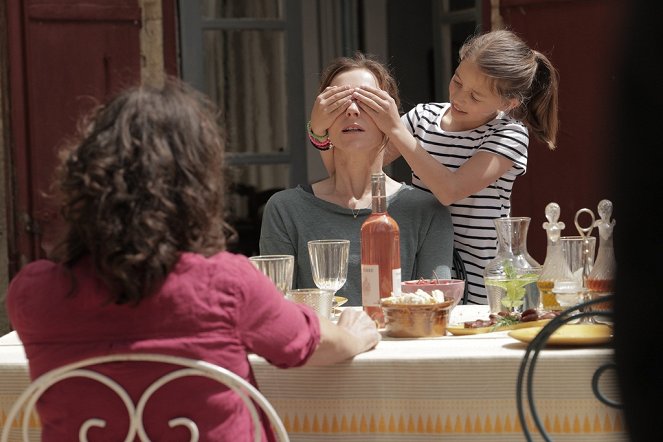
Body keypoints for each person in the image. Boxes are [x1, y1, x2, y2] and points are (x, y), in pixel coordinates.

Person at [5, 79, 381, 442]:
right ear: (194, 186)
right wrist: (352, 334)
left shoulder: (33, 292)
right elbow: (312, 343)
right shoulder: (225, 283)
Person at [310, 29, 559, 305]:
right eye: (457, 81)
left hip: (485, 282)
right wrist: (319, 130)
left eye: (476, 96)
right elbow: (349, 170)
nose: (460, 97)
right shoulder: (423, 118)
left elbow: (449, 190)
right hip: (428, 272)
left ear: (507, 102)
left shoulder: (509, 134)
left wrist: (395, 129)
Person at [260, 52, 454, 306]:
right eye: (338, 102)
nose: (352, 110)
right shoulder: (285, 209)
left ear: (391, 117)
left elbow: (435, 309)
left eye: (368, 102)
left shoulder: (426, 211)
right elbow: (276, 309)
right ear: (322, 119)